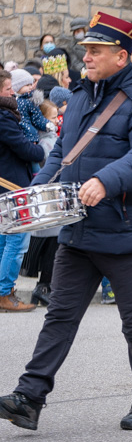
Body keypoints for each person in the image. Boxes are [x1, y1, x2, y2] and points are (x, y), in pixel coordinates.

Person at [0, 13, 132, 431]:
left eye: (96, 51)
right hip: (77, 229)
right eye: (87, 50)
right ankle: (30, 396)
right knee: (59, 315)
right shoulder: (80, 94)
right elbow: (62, 153)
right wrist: (35, 192)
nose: (86, 57)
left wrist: (104, 180)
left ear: (124, 55)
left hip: (124, 229)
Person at [0, 69, 44, 312]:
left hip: (5, 185)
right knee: (15, 243)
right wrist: (41, 151)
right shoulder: (4, 116)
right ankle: (5, 293)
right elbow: (25, 149)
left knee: (4, 242)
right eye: (8, 89)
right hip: (12, 186)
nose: (12, 93)